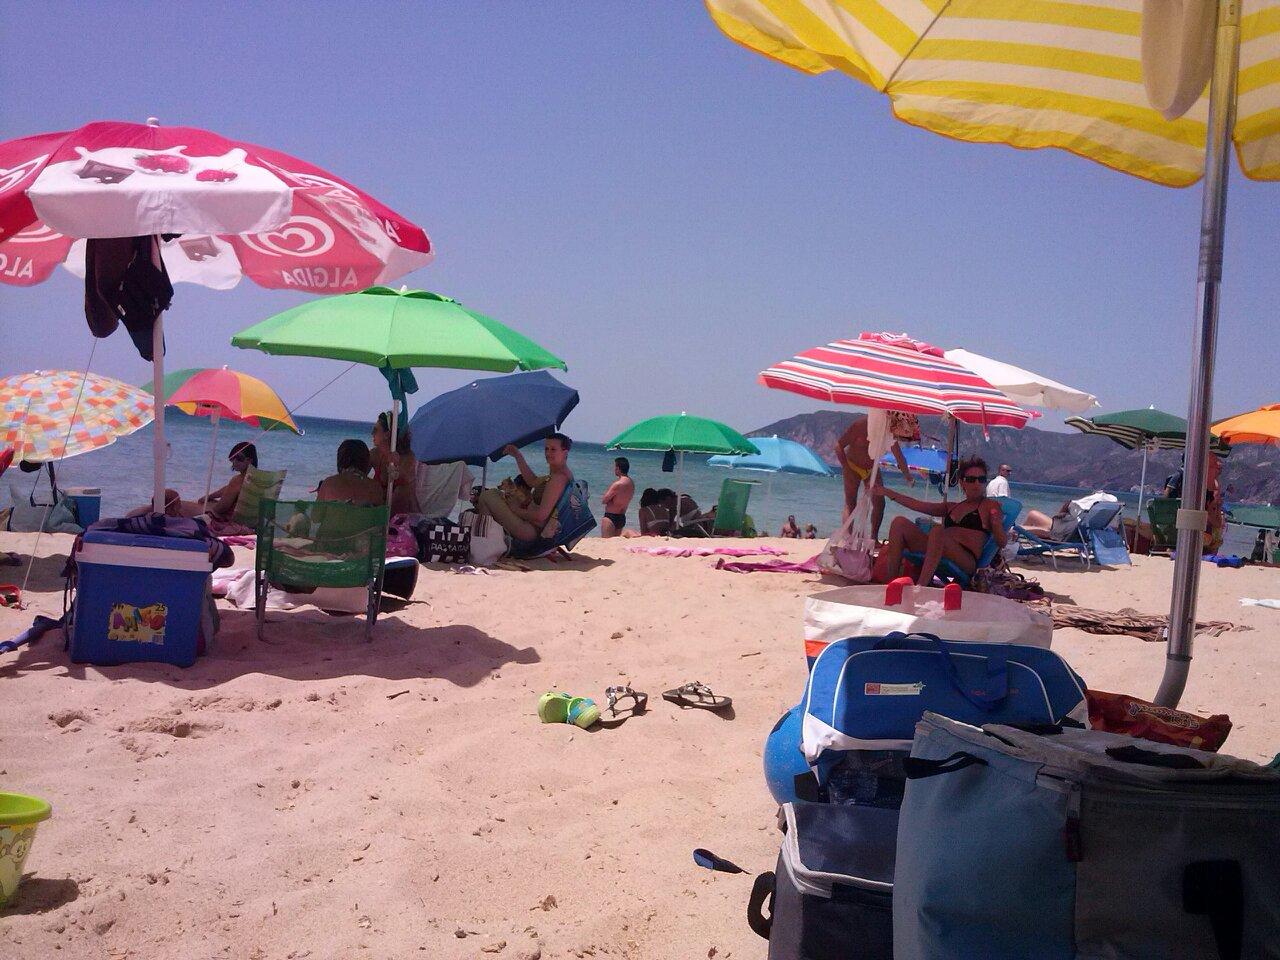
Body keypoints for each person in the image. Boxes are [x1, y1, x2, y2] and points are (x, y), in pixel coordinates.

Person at [874, 456, 1006, 587]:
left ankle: (920, 587)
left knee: (938, 530)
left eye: (981, 479)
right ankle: (889, 584)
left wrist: (996, 524)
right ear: (962, 483)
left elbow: (1002, 542)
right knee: (899, 523)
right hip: (937, 549)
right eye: (971, 479)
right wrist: (886, 492)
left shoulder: (990, 506)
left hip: (965, 559)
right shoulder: (952, 506)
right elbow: (917, 505)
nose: (977, 484)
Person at [476, 434, 574, 543]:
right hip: (532, 527)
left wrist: (515, 510)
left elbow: (540, 516)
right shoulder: (559, 474)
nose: (548, 453)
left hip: (531, 532)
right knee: (496, 494)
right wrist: (517, 455)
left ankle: (486, 541)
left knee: (486, 496)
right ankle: (491, 540)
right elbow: (532, 481)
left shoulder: (558, 478)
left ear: (565, 453)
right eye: (546, 449)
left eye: (553, 449)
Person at [835, 412, 916, 540]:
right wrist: (845, 467)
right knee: (851, 502)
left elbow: (899, 457)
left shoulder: (888, 432)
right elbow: (838, 445)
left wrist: (908, 477)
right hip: (852, 466)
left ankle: (874, 538)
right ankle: (847, 537)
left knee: (880, 503)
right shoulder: (861, 425)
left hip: (871, 469)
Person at [128, 442, 257, 519]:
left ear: (250, 460)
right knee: (178, 503)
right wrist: (211, 496)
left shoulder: (238, 480)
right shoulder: (254, 478)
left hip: (222, 518)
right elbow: (228, 490)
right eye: (232, 458)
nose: (234, 462)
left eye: (239, 458)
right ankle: (142, 514)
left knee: (174, 505)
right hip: (237, 516)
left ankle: (134, 517)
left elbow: (221, 509)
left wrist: (209, 508)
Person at [371, 411, 420, 517]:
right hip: (381, 513)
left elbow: (406, 480)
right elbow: (359, 477)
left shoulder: (408, 457)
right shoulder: (374, 455)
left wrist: (397, 467)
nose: (372, 433)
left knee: (401, 490)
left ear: (387, 434)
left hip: (405, 518)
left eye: (375, 430)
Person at [317, 439, 384, 507]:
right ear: (365, 460)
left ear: (340, 459)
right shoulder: (375, 488)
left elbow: (315, 514)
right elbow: (379, 516)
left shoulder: (329, 483)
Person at [601, 456, 635, 537]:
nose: (614, 469)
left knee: (606, 543)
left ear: (618, 468)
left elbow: (604, 500)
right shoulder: (631, 483)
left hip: (611, 516)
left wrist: (610, 500)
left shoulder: (618, 484)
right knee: (615, 542)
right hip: (621, 516)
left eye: (615, 467)